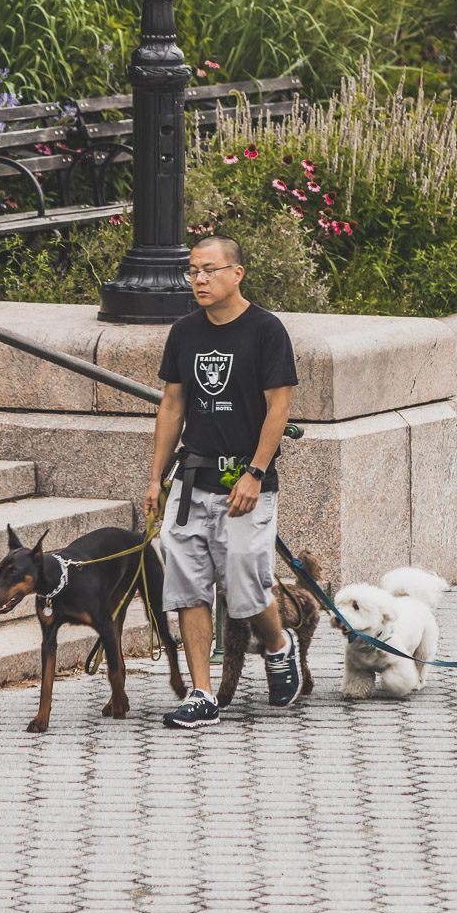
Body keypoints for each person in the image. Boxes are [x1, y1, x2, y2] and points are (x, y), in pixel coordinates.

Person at [143, 233, 301, 730]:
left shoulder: (265, 330)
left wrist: (255, 471)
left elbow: (279, 407)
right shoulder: (185, 332)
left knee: (246, 586)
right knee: (187, 584)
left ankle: (278, 646)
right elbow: (172, 405)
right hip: (192, 477)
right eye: (193, 271)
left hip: (246, 479)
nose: (200, 279)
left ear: (237, 273)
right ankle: (201, 693)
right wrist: (154, 477)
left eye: (210, 270)